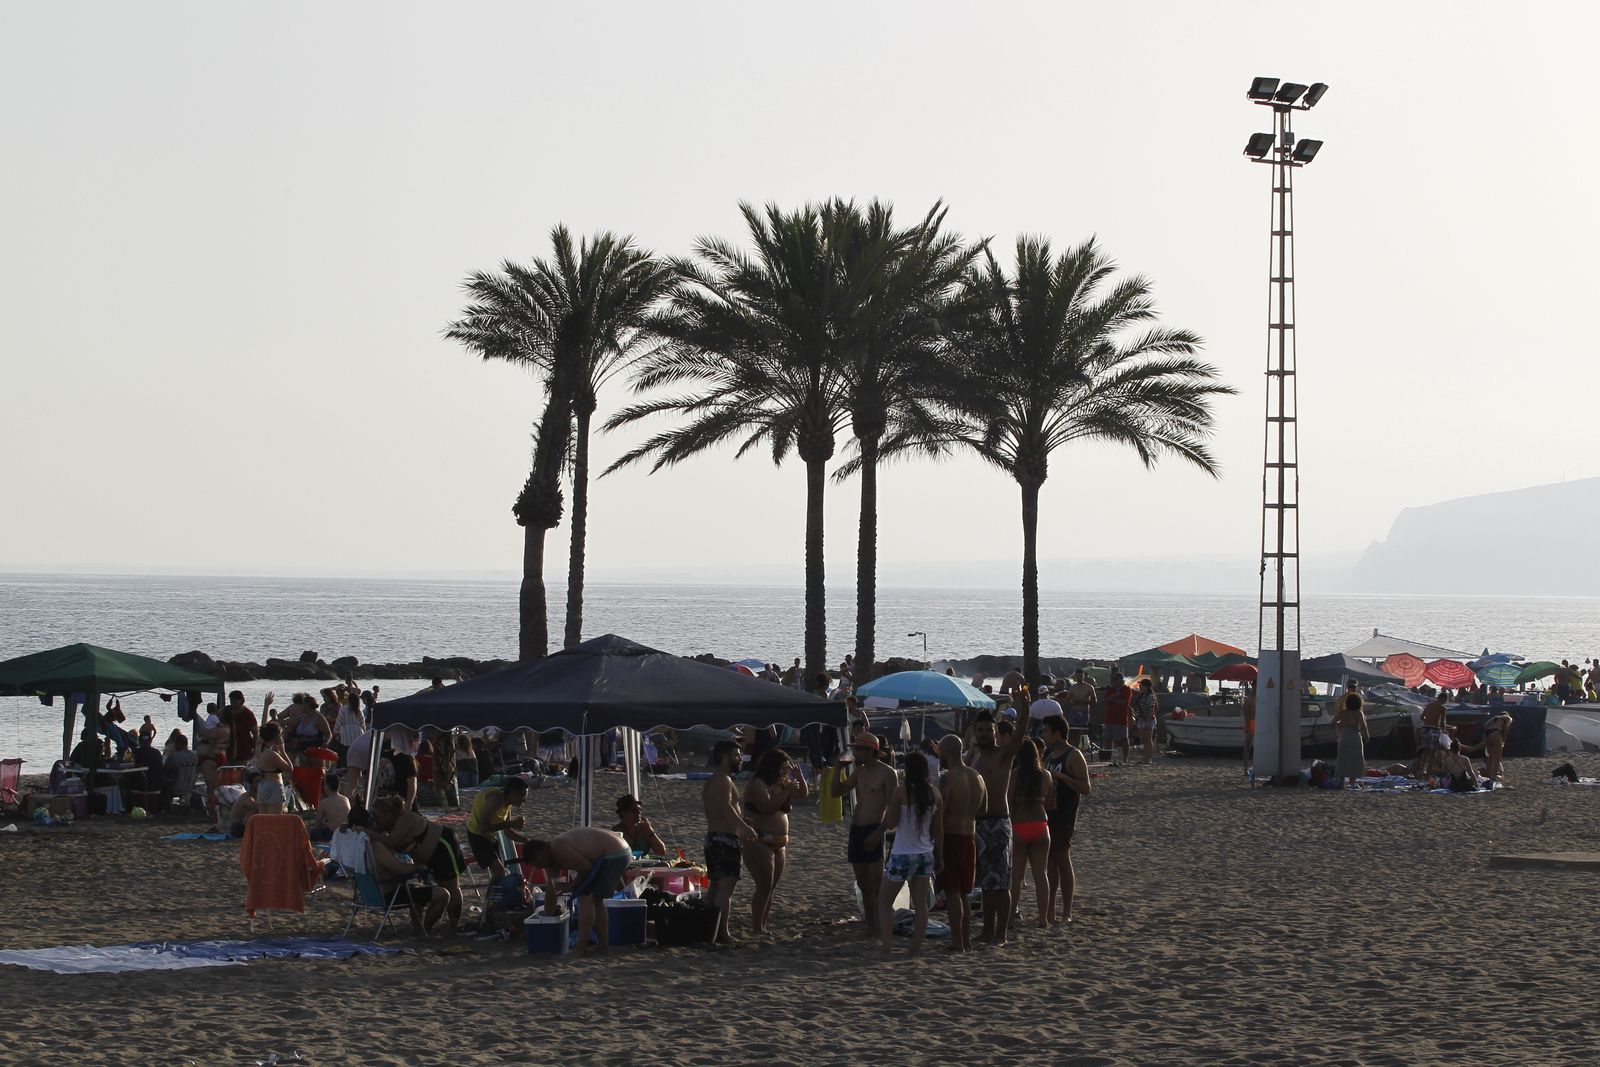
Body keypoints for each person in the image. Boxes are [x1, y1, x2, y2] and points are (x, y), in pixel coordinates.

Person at [868, 752, 943, 955]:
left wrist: (877, 832)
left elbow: (891, 823)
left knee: (884, 901)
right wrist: (940, 856)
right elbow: (938, 829)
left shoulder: (901, 792)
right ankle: (916, 947)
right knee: (920, 904)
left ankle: (887, 946)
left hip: (902, 853)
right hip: (925, 853)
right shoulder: (935, 794)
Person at [972, 695, 1031, 946]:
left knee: (1001, 884)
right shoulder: (974, 758)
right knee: (986, 884)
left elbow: (1018, 736)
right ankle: (987, 931)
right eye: (981, 730)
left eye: (989, 730)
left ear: (996, 734)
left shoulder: (1002, 755)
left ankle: (1001, 934)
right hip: (979, 825)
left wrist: (1025, 709)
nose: (984, 734)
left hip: (998, 823)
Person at [831, 731, 898, 939]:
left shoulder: (887, 773)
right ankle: (871, 926)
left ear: (872, 751)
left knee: (875, 884)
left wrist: (879, 834)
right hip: (857, 830)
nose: (856, 753)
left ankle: (878, 926)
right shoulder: (859, 772)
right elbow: (836, 792)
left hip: (874, 828)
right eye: (855, 749)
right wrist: (837, 769)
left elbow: (893, 808)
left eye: (859, 749)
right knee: (863, 885)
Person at [526, 827, 632, 958]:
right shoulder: (552, 859)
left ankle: (581, 949)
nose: (539, 868)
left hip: (615, 853)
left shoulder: (559, 848)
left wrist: (572, 886)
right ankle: (602, 947)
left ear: (540, 854)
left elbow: (586, 868)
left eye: (537, 864)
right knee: (595, 900)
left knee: (587, 897)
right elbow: (552, 891)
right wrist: (547, 919)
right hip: (617, 850)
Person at [370, 794, 465, 934]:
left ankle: (453, 927)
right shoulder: (385, 825)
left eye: (377, 816)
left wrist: (365, 831)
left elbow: (392, 841)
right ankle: (421, 927)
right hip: (426, 858)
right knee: (426, 888)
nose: (375, 820)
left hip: (442, 846)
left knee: (451, 887)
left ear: (388, 814)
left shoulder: (405, 818)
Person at [348, 808, 448, 936]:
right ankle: (425, 929)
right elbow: (398, 869)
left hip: (367, 895)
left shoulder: (355, 843)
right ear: (370, 823)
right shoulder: (374, 845)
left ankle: (417, 927)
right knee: (443, 895)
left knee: (417, 889)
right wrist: (419, 867)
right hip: (388, 896)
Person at [742, 748, 808, 936]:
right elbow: (767, 807)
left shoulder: (781, 783)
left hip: (779, 841)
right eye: (783, 768)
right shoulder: (757, 783)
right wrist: (786, 790)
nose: (785, 772)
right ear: (773, 767)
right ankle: (756, 927)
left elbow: (802, 795)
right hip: (760, 840)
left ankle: (762, 926)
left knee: (770, 888)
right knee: (763, 886)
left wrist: (799, 776)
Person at [702, 739, 761, 946]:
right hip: (724, 839)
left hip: (715, 837)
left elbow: (721, 809)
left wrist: (742, 821)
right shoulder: (723, 780)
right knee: (725, 889)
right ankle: (722, 933)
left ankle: (709, 931)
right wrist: (744, 828)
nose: (739, 759)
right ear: (725, 757)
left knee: (716, 887)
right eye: (736, 755)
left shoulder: (715, 780)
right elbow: (726, 808)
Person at [935, 734, 986, 952]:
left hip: (951, 838)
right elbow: (983, 810)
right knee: (964, 892)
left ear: (945, 753)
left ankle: (957, 943)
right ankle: (965, 940)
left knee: (952, 891)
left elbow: (939, 812)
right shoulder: (977, 777)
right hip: (970, 837)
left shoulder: (947, 778)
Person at [1040, 714, 1090, 925]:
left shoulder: (1073, 755)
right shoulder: (1050, 755)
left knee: (1062, 858)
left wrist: (1062, 777)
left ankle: (1066, 911)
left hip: (1065, 814)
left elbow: (1086, 788)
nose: (1043, 736)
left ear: (1056, 733)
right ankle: (1049, 910)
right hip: (1048, 813)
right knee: (1050, 862)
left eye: (1045, 732)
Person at [1008, 738, 1054, 930]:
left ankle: (1010, 918)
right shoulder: (1046, 775)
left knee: (1016, 877)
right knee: (1041, 874)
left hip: (1020, 825)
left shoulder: (1014, 775)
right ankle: (1043, 918)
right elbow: (1049, 802)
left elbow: (1009, 803)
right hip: (1041, 825)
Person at [466, 776, 529, 880]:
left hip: (491, 838)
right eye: (523, 796)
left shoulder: (507, 804)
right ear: (513, 793)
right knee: (499, 871)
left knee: (500, 873)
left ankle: (494, 894)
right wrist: (512, 824)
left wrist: (525, 841)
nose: (525, 800)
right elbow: (483, 827)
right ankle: (493, 895)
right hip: (477, 836)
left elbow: (508, 833)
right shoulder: (496, 798)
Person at [252, 722, 294, 814]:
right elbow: (290, 769)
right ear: (275, 737)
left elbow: (264, 726)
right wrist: (282, 751)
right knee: (275, 819)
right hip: (274, 786)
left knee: (263, 817)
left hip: (262, 785)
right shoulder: (272, 754)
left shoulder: (259, 748)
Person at [1331, 691, 1369, 789]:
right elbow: (1364, 727)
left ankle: (1341, 782)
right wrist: (1367, 736)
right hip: (1355, 738)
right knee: (1355, 760)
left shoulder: (1342, 712)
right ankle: (1352, 783)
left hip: (1344, 738)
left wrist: (1339, 730)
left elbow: (1332, 723)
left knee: (1342, 759)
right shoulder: (1358, 713)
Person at [1103, 673, 1133, 765]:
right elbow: (1105, 701)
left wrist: (1112, 698)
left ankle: (1125, 758)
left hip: (1121, 718)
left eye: (1115, 680)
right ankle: (1108, 757)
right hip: (1109, 717)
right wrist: (1114, 697)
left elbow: (1124, 702)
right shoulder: (1111, 689)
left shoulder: (1126, 689)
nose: (1113, 681)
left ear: (1120, 680)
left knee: (1124, 738)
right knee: (1108, 738)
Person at [1063, 670, 1096, 751]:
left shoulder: (1089, 687)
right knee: (1071, 730)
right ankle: (1070, 748)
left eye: (1081, 676)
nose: (1079, 678)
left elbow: (1094, 700)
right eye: (1077, 676)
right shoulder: (1072, 688)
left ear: (1084, 676)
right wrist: (1072, 702)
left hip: (1084, 712)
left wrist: (1084, 701)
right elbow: (1067, 700)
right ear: (1075, 677)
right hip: (1074, 711)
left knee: (1080, 731)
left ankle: (1077, 748)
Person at [312, 772, 351, 841]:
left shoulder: (324, 802)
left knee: (312, 832)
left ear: (327, 786)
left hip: (333, 835)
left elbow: (317, 825)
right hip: (347, 833)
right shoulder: (346, 799)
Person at [1478, 708, 1513, 781]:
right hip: (1495, 732)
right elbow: (1506, 728)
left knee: (1491, 758)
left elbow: (1485, 725)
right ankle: (1493, 778)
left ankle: (1489, 775)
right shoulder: (1508, 718)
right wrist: (1503, 739)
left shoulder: (1494, 718)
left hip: (1487, 733)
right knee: (1497, 759)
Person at [225, 691, 259, 765]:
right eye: (231, 700)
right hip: (228, 747)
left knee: (241, 770)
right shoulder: (225, 711)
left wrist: (254, 748)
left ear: (241, 700)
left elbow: (255, 733)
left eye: (235, 700)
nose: (232, 702)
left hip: (243, 748)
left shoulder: (248, 714)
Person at [1420, 692, 1450, 775]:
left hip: (1425, 729)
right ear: (1443, 699)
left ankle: (1420, 772)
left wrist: (1428, 720)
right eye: (1445, 700)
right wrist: (1443, 731)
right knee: (1432, 754)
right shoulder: (1442, 708)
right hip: (1434, 730)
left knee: (1425, 752)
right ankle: (1428, 775)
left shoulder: (1428, 705)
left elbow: (1421, 717)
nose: (1445, 702)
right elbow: (1443, 722)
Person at [1133, 679, 1160, 764]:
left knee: (1148, 740)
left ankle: (1148, 759)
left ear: (1146, 687)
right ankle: (1145, 758)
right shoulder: (1142, 695)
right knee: (1144, 740)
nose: (1140, 687)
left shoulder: (1150, 696)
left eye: (1142, 686)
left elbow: (1151, 710)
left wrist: (1147, 722)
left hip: (1148, 719)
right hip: (1142, 719)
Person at [227, 769, 260, 837]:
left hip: (243, 824)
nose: (259, 784)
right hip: (237, 828)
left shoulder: (257, 796)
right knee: (257, 811)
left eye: (261, 782)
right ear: (251, 784)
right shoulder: (246, 797)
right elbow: (260, 807)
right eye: (256, 782)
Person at [1240, 683, 1257, 774]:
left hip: (1257, 724)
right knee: (1247, 748)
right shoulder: (1249, 700)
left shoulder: (1257, 698)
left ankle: (1254, 767)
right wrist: (1248, 727)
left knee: (1256, 748)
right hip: (1251, 723)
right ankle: (1245, 770)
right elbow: (1246, 715)